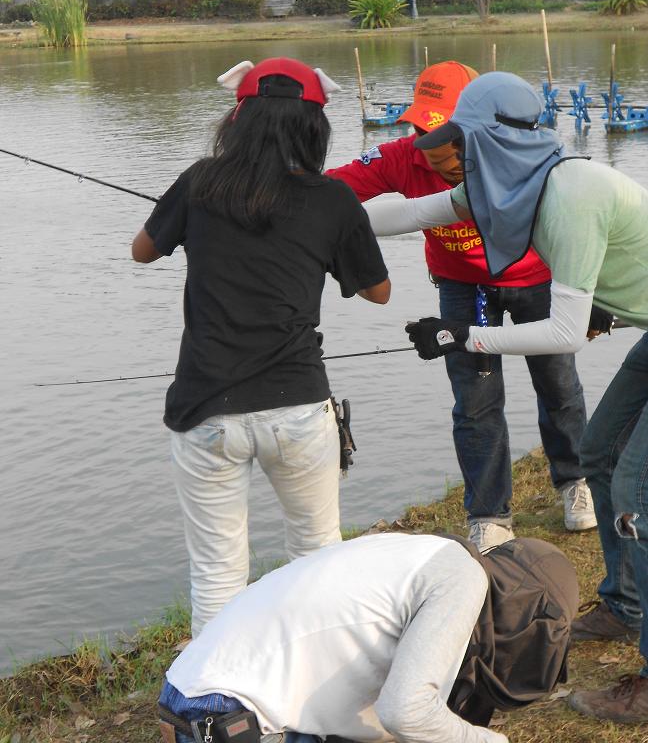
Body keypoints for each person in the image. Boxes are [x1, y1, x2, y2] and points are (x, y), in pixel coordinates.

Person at [366, 70, 648, 722]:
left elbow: (564, 333)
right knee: (598, 455)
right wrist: (319, 225)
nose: (451, 151)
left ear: (492, 138)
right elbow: (410, 213)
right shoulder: (512, 188)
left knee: (636, 493)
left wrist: (462, 336)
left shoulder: (571, 193)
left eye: (462, 138)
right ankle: (625, 605)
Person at [131, 57, 391, 637]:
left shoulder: (200, 183)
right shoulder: (335, 200)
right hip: (298, 406)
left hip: (205, 410)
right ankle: (313, 693)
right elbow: (378, 292)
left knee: (218, 572)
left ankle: (216, 708)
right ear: (314, 127)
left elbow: (141, 251)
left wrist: (189, 215)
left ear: (237, 118)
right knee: (316, 555)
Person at [326, 61, 592, 552]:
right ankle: (489, 513)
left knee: (557, 383)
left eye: (443, 130)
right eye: (421, 127)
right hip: (464, 287)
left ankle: (576, 481)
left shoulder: (522, 157)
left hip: (535, 278)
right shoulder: (401, 157)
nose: (430, 143)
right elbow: (331, 192)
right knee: (475, 399)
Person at [157, 531, 578, 743]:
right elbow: (405, 712)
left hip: (184, 702)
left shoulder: (420, 553)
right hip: (231, 716)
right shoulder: (461, 580)